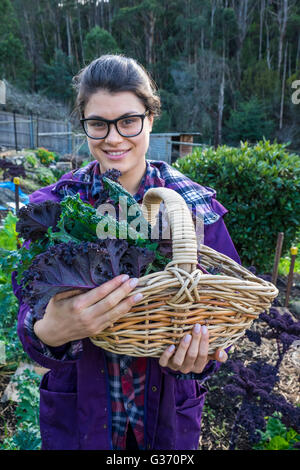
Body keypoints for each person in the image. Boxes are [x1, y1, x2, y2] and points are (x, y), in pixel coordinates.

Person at [12, 54, 241, 451]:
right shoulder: (55, 207)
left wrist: (201, 359)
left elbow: (228, 306)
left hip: (165, 416)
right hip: (79, 417)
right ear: (83, 125)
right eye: (98, 123)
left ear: (151, 118)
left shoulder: (194, 208)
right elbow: (28, 307)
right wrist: (47, 332)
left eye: (128, 121)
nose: (114, 138)